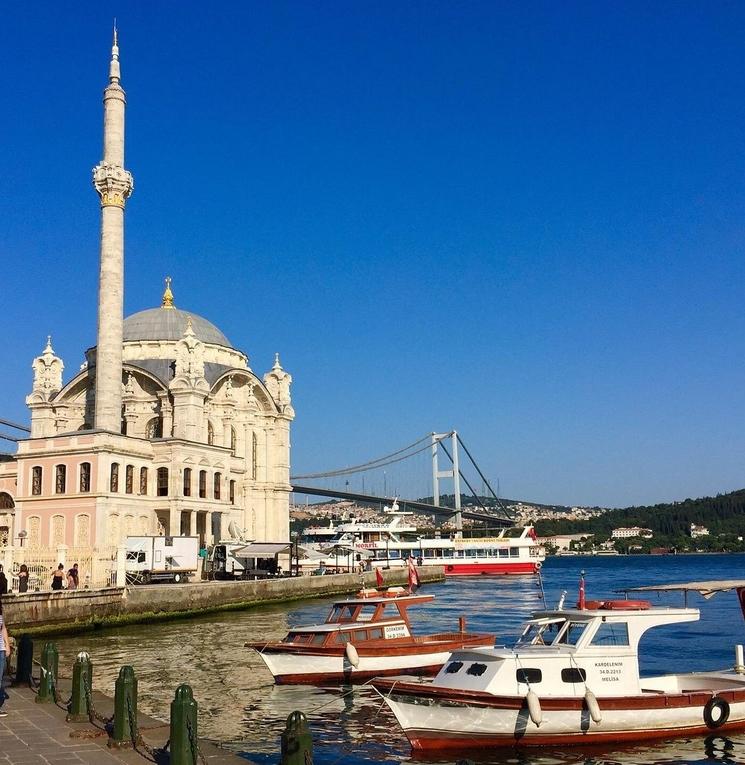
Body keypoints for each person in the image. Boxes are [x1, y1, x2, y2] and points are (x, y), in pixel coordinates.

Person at [0, 598, 10, 717]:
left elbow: (3, 628)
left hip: (1, 649)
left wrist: (7, 645)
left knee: (0, 678)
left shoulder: (0, 612)